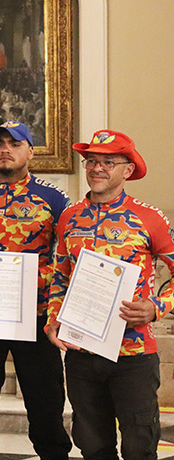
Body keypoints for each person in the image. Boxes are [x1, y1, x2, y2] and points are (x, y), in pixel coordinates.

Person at [46, 130, 174, 459]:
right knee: (92, 445)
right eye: (91, 161)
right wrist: (52, 320)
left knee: (138, 445)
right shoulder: (69, 217)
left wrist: (156, 307)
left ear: (127, 170)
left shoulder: (150, 219)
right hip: (81, 352)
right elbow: (60, 274)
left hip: (132, 355)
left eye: (108, 162)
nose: (96, 168)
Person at [0, 122, 72, 459]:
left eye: (14, 143)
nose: (5, 149)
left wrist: (38, 279)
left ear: (30, 151)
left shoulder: (53, 198)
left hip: (36, 317)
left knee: (45, 401)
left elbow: (68, 255)